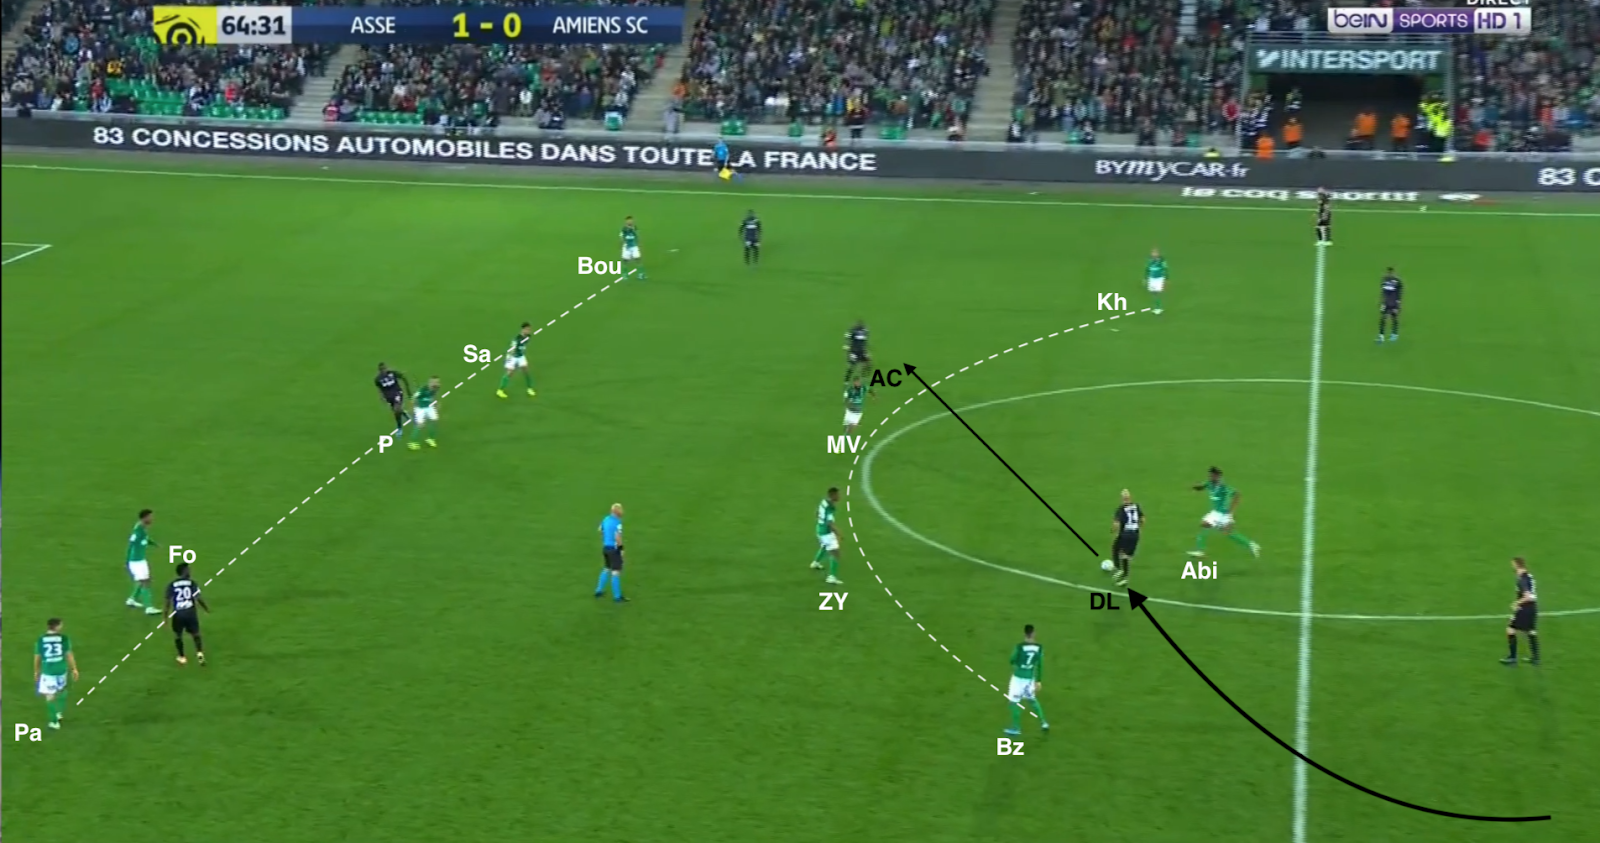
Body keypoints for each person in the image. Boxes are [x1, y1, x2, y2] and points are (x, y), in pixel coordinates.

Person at [1190, 467, 1261, 559]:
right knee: (1212, 527)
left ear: (1217, 476)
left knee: (1223, 530)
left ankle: (1251, 545)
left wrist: (1231, 512)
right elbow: (1203, 486)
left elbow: (1237, 494)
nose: (1210, 477)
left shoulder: (1223, 487)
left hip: (1223, 514)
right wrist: (1196, 487)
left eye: (1212, 476)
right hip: (1215, 512)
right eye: (1209, 475)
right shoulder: (1210, 483)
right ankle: (1251, 545)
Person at [34, 618, 80, 731]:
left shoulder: (41, 639)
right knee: (61, 690)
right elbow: (69, 655)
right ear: (57, 626)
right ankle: (58, 712)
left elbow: (37, 657)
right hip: (61, 670)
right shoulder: (63, 638)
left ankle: (54, 722)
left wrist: (36, 671)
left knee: (49, 696)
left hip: (49, 672)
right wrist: (74, 669)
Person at [1004, 624, 1048, 735]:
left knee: (1013, 702)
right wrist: (1038, 681)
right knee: (1032, 700)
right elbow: (1040, 665)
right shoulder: (1039, 648)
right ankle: (1043, 722)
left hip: (1018, 679)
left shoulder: (1020, 647)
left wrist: (1018, 662)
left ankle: (1016, 728)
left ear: (1025, 634)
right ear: (1033, 633)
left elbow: (1012, 659)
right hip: (1029, 679)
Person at [166, 563, 210, 666]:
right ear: (183, 571)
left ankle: (182, 657)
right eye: (188, 570)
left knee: (178, 635)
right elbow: (198, 598)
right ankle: (199, 653)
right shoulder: (191, 583)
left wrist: (165, 617)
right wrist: (206, 608)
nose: (190, 571)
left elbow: (167, 601)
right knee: (196, 634)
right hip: (190, 613)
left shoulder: (172, 584)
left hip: (178, 614)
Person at [1501, 557, 1540, 666]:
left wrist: (1517, 603)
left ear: (1516, 565)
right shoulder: (1529, 576)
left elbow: (1528, 596)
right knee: (1531, 631)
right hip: (1532, 608)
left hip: (1524, 608)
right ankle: (1536, 659)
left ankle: (1512, 658)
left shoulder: (1522, 579)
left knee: (1510, 629)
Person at [125, 509, 164, 616]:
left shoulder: (142, 528)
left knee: (144, 580)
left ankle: (131, 599)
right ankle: (149, 608)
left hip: (141, 560)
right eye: (150, 517)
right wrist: (127, 561)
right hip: (136, 561)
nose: (152, 519)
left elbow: (145, 539)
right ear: (145, 517)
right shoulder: (138, 530)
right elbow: (131, 544)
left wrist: (155, 544)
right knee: (145, 582)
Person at [595, 503, 628, 603]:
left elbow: (600, 530)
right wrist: (621, 549)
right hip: (614, 549)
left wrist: (605, 539)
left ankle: (598, 590)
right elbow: (617, 537)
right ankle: (617, 597)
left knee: (606, 568)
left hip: (606, 548)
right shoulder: (617, 523)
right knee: (615, 572)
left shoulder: (606, 519)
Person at [1111, 489, 1143, 587]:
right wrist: (1138, 528)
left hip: (1125, 534)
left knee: (1116, 549)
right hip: (1135, 535)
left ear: (1122, 499)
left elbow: (1116, 524)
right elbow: (1142, 519)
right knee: (1124, 555)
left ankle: (1120, 571)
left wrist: (1113, 531)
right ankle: (1123, 575)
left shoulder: (1121, 509)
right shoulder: (1136, 506)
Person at [812, 488, 844, 585]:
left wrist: (820, 522)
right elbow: (830, 523)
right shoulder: (830, 507)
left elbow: (817, 513)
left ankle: (815, 563)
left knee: (824, 546)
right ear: (832, 495)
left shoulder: (824, 502)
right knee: (835, 553)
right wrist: (839, 533)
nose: (839, 496)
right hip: (826, 533)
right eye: (837, 494)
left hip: (819, 529)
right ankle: (832, 577)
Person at [497, 323, 536, 398]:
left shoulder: (528, 336)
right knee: (510, 373)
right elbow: (512, 349)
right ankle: (500, 390)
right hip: (513, 357)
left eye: (529, 329)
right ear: (523, 329)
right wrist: (508, 358)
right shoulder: (516, 339)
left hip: (521, 356)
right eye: (527, 329)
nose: (529, 331)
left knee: (526, 371)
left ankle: (529, 388)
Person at [375, 363, 410, 435]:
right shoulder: (377, 379)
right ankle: (404, 413)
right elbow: (379, 389)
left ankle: (399, 428)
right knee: (396, 410)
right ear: (380, 370)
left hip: (397, 393)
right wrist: (381, 397)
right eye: (382, 369)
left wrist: (407, 389)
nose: (384, 370)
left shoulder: (392, 373)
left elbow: (402, 377)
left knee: (396, 410)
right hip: (388, 396)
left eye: (385, 368)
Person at [408, 377, 441, 450]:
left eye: (437, 382)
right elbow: (413, 398)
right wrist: (412, 409)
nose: (436, 384)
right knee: (420, 425)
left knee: (434, 420)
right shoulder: (423, 389)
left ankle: (430, 439)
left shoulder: (436, 388)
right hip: (420, 408)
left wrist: (436, 403)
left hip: (428, 407)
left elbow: (434, 395)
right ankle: (412, 442)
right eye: (434, 382)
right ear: (430, 382)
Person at [1377, 268, 1403, 343]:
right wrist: (1382, 302)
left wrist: (1398, 305)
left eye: (1391, 273)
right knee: (1383, 319)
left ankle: (1394, 334)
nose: (1390, 274)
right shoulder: (1384, 280)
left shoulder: (1397, 281)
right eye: (1389, 272)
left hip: (1393, 303)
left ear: (1393, 273)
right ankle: (1381, 336)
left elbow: (1399, 294)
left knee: (1394, 318)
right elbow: (1383, 292)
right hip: (1386, 303)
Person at [1146, 248, 1167, 315]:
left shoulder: (1161, 261)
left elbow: (1165, 269)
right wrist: (1146, 277)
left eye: (1155, 253)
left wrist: (1166, 277)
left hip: (1158, 278)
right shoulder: (1150, 260)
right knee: (1153, 293)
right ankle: (1157, 307)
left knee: (1156, 293)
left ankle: (1158, 308)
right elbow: (1147, 269)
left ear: (1158, 254)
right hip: (1152, 278)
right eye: (1153, 253)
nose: (1154, 254)